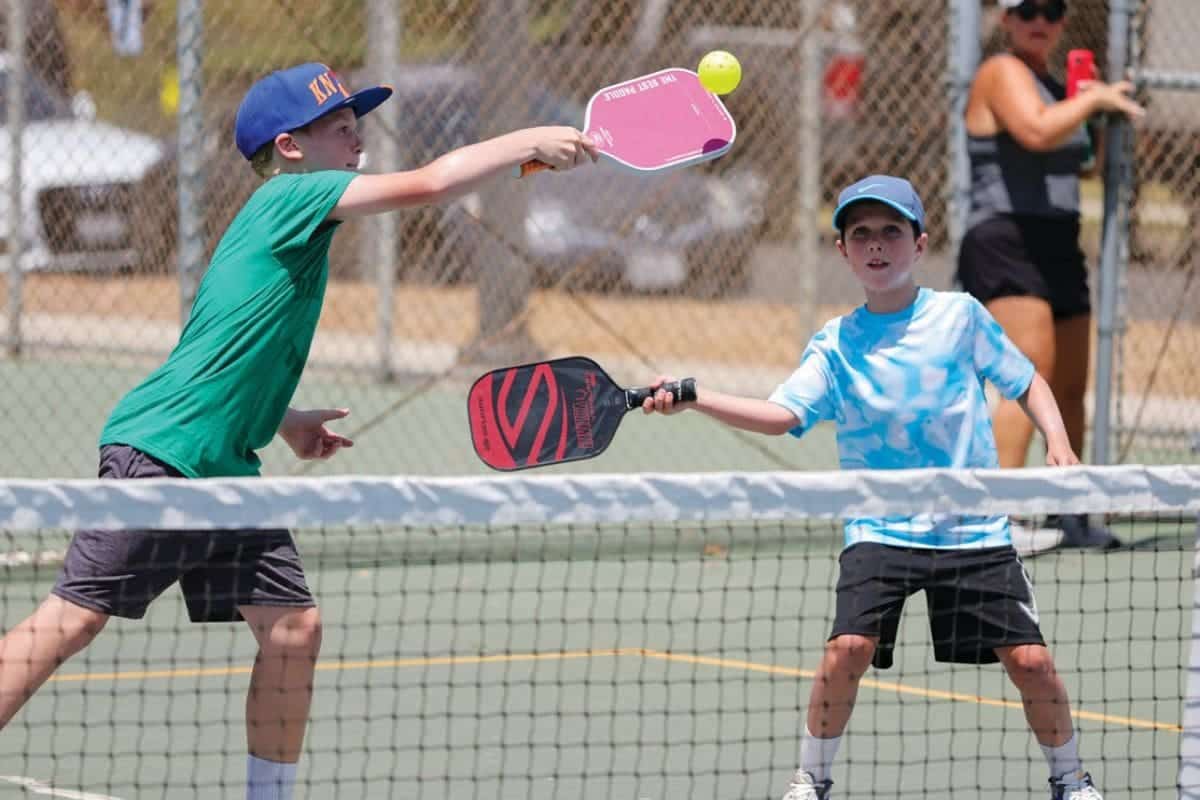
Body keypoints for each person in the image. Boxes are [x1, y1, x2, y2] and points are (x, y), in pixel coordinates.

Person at [0, 62, 597, 800]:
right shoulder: (292, 195)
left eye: (357, 126)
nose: (357, 141)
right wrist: (528, 140)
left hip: (224, 466)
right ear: (289, 147)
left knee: (293, 630)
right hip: (163, 454)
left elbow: (220, 346)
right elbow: (431, 183)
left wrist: (282, 420)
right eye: (340, 128)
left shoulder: (291, 219)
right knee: (70, 622)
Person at [642, 175, 1104, 800]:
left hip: (972, 527)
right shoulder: (834, 345)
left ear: (919, 243)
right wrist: (694, 396)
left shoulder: (960, 316)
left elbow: (1025, 380)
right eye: (861, 234)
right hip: (879, 527)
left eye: (891, 232)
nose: (877, 245)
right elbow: (782, 416)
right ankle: (812, 778)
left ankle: (1071, 781)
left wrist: (1057, 439)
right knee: (847, 650)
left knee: (1032, 664)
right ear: (843, 251)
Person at [957, 0, 1143, 551]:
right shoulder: (1001, 73)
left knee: (1068, 387)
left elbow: (1079, 160)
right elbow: (1037, 132)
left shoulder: (1060, 85)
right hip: (1004, 238)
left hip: (1058, 239)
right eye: (1028, 10)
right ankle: (998, 518)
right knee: (1025, 373)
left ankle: (1069, 514)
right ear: (1007, 20)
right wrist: (1092, 100)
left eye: (1052, 10)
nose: (1041, 20)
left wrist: (1097, 113)